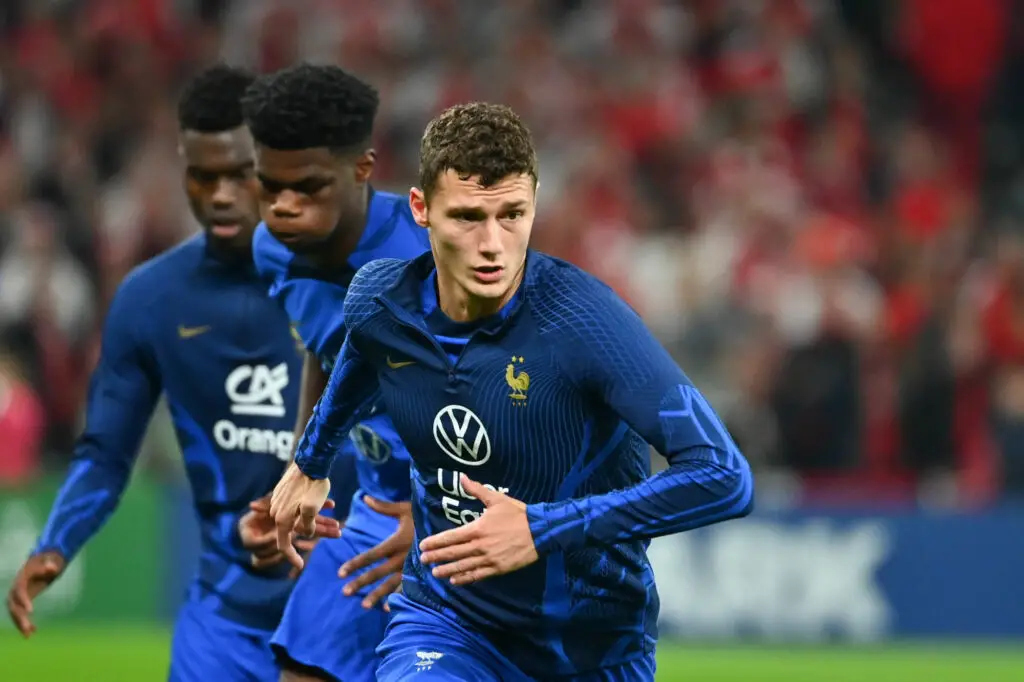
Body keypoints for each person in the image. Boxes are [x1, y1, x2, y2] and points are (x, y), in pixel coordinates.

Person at [270, 102, 756, 681]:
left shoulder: (584, 323)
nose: (493, 244)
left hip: (590, 650)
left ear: (534, 204)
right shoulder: (379, 301)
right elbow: (361, 352)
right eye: (468, 217)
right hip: (447, 623)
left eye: (512, 215)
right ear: (422, 210)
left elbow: (724, 474)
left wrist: (542, 528)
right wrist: (311, 462)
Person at [4, 65, 342, 682]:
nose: (220, 195)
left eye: (240, 174)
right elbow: (106, 451)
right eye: (203, 175)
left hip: (339, 616)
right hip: (221, 626)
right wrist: (56, 541)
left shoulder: (349, 287)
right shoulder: (151, 301)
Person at [240, 63, 428, 682]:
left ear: (362, 169)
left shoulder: (430, 257)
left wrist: (438, 519)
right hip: (373, 511)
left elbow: (512, 400)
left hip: (470, 515)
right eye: (270, 187)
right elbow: (321, 350)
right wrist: (297, 474)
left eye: (308, 188)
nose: (283, 207)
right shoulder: (272, 250)